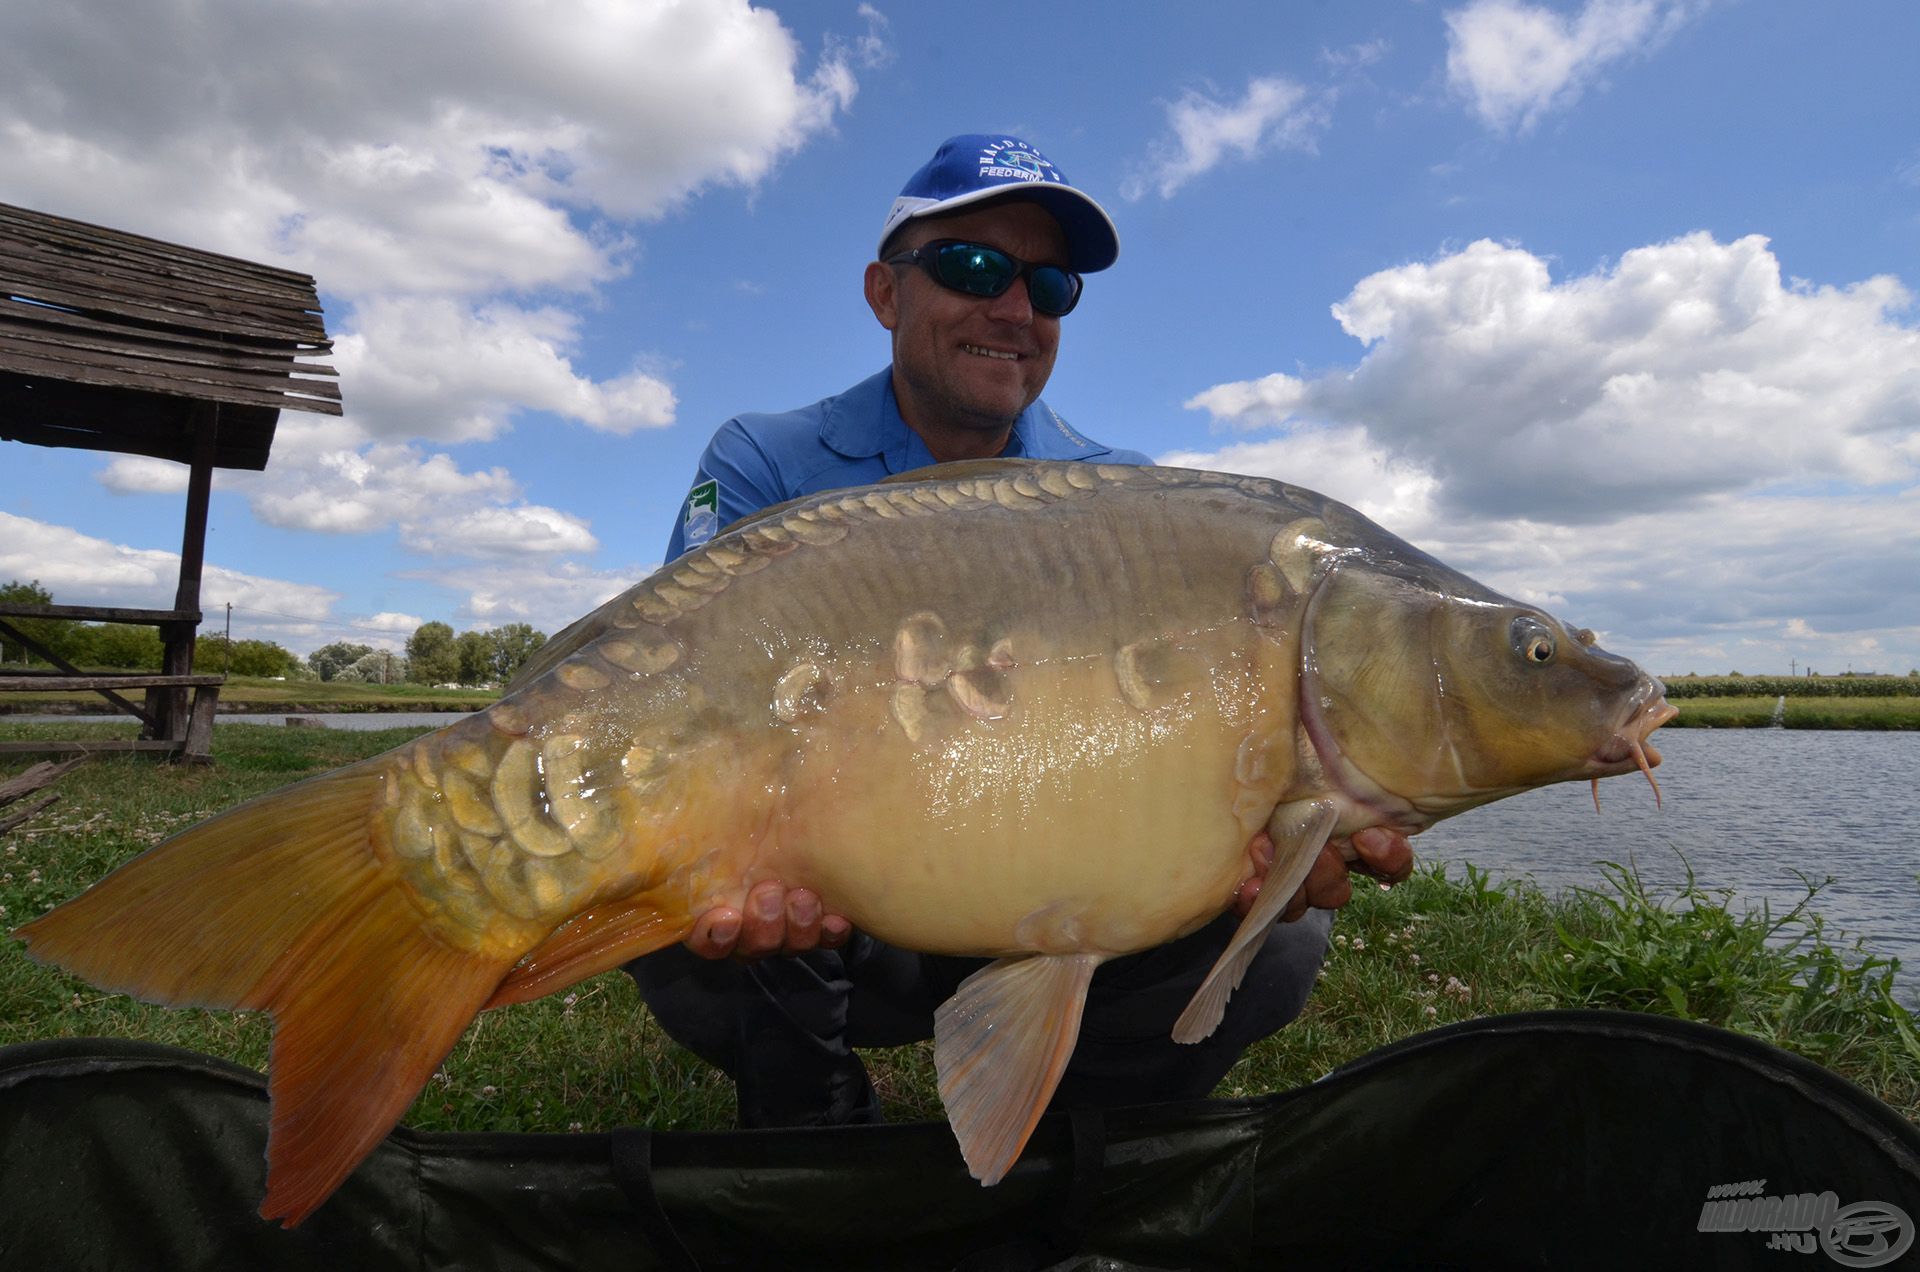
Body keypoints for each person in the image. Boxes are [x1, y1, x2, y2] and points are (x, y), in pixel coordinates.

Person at [631, 134, 1414, 1129]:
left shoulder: (1128, 497)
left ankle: (1070, 1148)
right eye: (972, 267)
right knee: (669, 884)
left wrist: (1259, 829)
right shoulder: (766, 460)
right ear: (885, 293)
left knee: (1277, 941)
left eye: (1051, 287)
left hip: (1054, 891)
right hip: (845, 912)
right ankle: (820, 1131)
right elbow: (679, 700)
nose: (1015, 309)